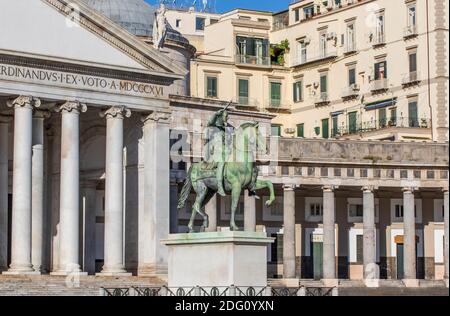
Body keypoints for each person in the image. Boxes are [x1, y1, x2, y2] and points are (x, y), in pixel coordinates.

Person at [207, 107, 232, 196]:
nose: (227, 118)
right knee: (222, 162)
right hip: (217, 151)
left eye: (227, 116)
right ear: (221, 117)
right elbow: (209, 122)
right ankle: (220, 186)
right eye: (225, 116)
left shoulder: (227, 128)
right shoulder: (214, 126)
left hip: (227, 151)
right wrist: (215, 114)